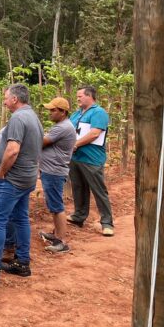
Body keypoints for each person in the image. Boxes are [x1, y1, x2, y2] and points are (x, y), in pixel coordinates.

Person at [0, 83, 43, 285]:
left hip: (13, 178)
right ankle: (22, 263)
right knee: (20, 218)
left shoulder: (18, 118)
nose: (4, 102)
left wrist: (2, 173)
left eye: (5, 98)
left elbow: (12, 150)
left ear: (14, 99)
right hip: (27, 177)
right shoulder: (33, 116)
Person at [67, 86, 115, 236]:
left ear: (89, 96)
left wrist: (75, 144)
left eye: (80, 96)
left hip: (91, 158)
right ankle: (79, 216)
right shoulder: (76, 114)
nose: (77, 98)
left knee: (98, 190)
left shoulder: (98, 112)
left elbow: (95, 133)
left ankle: (107, 223)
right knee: (78, 187)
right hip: (75, 158)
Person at [38, 97, 76, 253]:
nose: (50, 113)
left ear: (63, 112)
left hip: (53, 172)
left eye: (53, 110)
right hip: (51, 171)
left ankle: (61, 242)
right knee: (54, 205)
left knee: (57, 206)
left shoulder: (62, 128)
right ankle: (57, 234)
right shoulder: (62, 126)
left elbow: (40, 142)